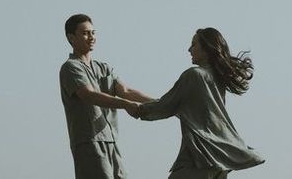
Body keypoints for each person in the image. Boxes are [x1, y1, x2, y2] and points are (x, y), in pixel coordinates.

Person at [136, 27, 265, 179]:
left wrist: (134, 108)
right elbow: (178, 105)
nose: (189, 49)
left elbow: (165, 106)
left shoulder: (194, 75)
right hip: (217, 164)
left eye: (194, 44)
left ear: (207, 49)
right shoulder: (216, 78)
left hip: (198, 159)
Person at [60, 13, 154, 179]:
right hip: (89, 142)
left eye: (93, 32)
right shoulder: (70, 68)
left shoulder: (103, 68)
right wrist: (126, 105)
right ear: (71, 38)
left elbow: (126, 91)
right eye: (85, 33)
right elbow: (89, 95)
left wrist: (162, 102)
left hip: (111, 140)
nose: (91, 37)